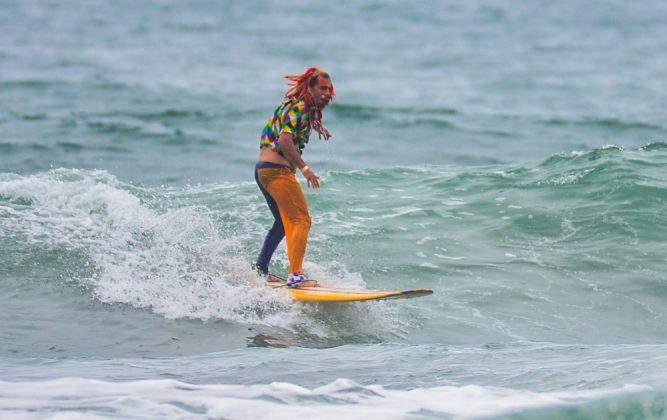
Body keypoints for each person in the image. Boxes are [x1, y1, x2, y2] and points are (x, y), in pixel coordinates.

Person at [253, 67, 335, 288]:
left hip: (263, 170)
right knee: (301, 220)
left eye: (329, 89)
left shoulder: (295, 108)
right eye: (322, 88)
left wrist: (318, 127)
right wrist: (304, 168)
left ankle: (260, 269)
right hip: (276, 171)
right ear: (309, 86)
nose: (327, 93)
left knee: (282, 223)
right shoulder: (299, 108)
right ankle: (296, 276)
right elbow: (284, 141)